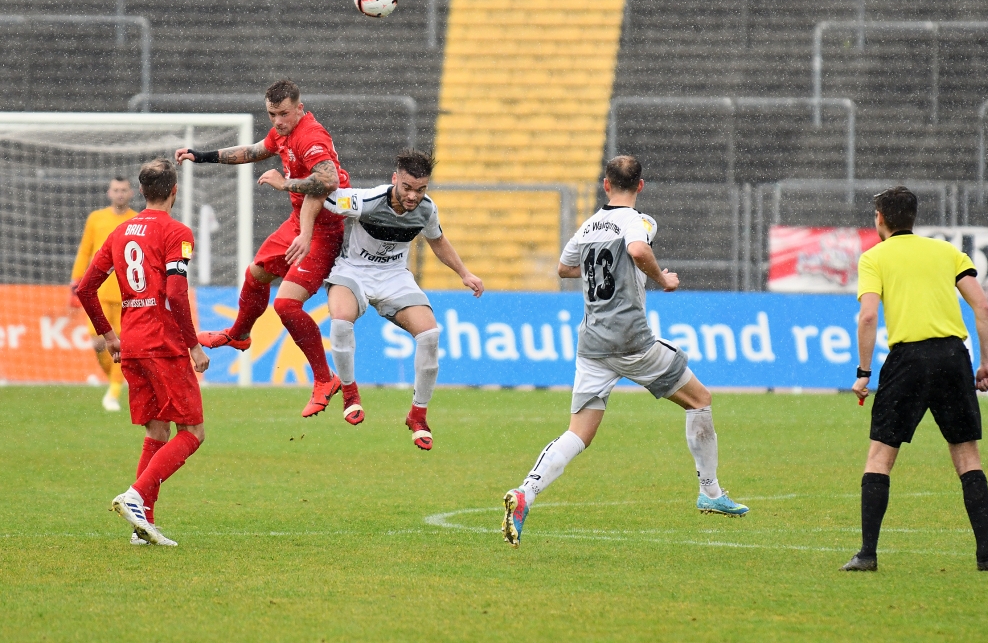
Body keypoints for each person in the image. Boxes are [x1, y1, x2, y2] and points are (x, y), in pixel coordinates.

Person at [501, 156, 749, 548]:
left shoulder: (588, 226)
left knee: (578, 433)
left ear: (606, 184)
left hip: (592, 344)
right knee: (699, 399)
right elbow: (636, 250)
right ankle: (710, 492)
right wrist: (662, 278)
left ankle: (524, 493)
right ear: (641, 185)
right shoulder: (635, 220)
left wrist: (603, 271)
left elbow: (564, 268)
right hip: (631, 341)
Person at [843, 185, 988, 572]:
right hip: (952, 357)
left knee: (880, 457)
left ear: (880, 218)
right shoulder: (946, 252)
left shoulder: (874, 257)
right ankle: (985, 555)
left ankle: (867, 554)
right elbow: (982, 306)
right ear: (913, 217)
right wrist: (987, 363)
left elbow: (868, 316)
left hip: (907, 361)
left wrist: (863, 373)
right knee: (967, 456)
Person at [175, 79, 348, 417]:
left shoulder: (310, 136)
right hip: (297, 222)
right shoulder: (283, 133)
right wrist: (202, 156)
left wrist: (286, 184)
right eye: (272, 114)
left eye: (284, 114)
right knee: (256, 274)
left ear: (299, 108)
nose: (278, 121)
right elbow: (253, 151)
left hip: (324, 231)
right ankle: (239, 334)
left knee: (286, 305)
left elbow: (329, 181)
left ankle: (325, 379)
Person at [304, 149, 483, 450]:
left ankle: (418, 415)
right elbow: (319, 194)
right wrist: (288, 189)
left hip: (394, 277)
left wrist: (464, 273)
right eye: (407, 187)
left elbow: (438, 240)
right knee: (341, 321)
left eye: (420, 189)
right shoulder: (366, 200)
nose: (413, 196)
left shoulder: (427, 210)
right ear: (395, 179)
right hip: (354, 272)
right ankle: (349, 392)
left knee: (430, 335)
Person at [76, 158, 210, 547]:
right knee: (193, 432)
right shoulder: (177, 231)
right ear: (174, 191)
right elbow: (176, 293)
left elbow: (85, 288)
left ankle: (142, 527)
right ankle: (136, 495)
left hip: (132, 343)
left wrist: (109, 335)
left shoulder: (119, 232)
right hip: (163, 344)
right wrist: (193, 345)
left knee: (157, 430)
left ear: (141, 190)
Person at [69, 177, 138, 411]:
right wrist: (76, 280)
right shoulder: (96, 218)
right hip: (98, 293)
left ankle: (113, 393)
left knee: (124, 346)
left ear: (131, 193)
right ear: (109, 193)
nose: (120, 194)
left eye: (124, 190)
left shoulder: (136, 220)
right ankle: (115, 381)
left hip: (128, 294)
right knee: (98, 343)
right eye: (116, 190)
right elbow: (85, 250)